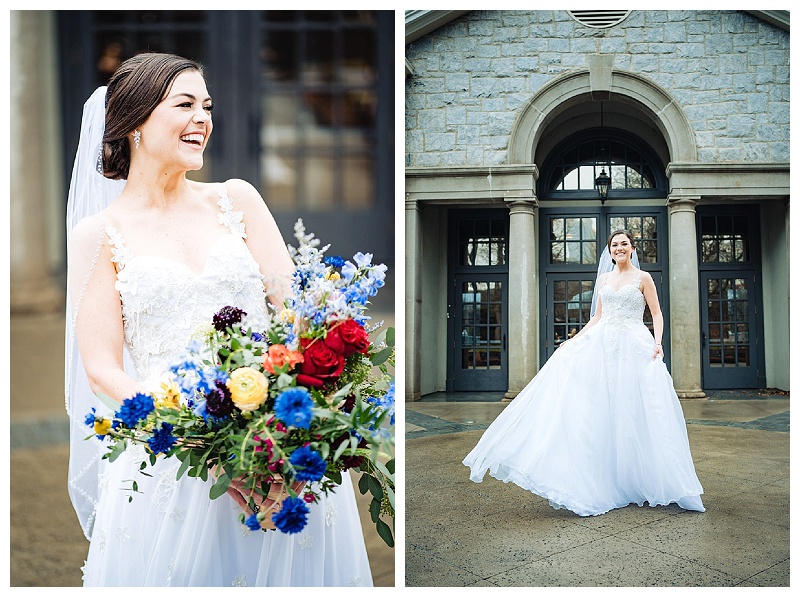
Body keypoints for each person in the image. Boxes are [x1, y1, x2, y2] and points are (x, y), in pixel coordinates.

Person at [65, 52, 373, 586]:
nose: (203, 117)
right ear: (135, 120)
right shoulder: (100, 234)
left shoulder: (237, 200)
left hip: (279, 443)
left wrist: (303, 425)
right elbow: (101, 369)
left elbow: (301, 318)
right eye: (184, 104)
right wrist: (200, 446)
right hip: (176, 456)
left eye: (206, 105)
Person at [463, 230, 705, 517]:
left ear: (632, 248)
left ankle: (643, 477)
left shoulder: (643, 278)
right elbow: (597, 317)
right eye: (614, 245)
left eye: (624, 244)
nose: (619, 248)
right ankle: (605, 478)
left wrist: (658, 343)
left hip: (634, 345)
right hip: (603, 346)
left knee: (637, 410)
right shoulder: (604, 280)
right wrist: (575, 340)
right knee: (600, 408)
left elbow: (656, 314)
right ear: (609, 250)